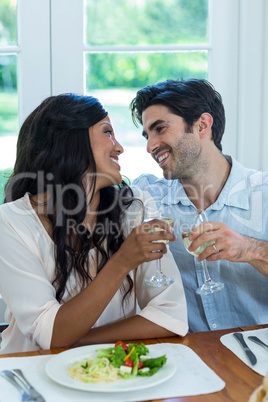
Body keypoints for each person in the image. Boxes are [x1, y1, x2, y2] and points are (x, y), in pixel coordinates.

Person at [0, 94, 188, 353]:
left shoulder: (134, 207)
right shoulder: (11, 222)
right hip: (29, 378)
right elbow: (50, 334)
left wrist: (79, 340)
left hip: (104, 373)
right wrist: (122, 262)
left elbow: (171, 314)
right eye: (108, 132)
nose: (119, 147)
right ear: (70, 140)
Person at [131, 78, 268, 332]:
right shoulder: (149, 196)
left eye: (159, 129)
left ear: (202, 125)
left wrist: (251, 249)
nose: (150, 146)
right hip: (187, 359)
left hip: (260, 359)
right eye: (147, 135)